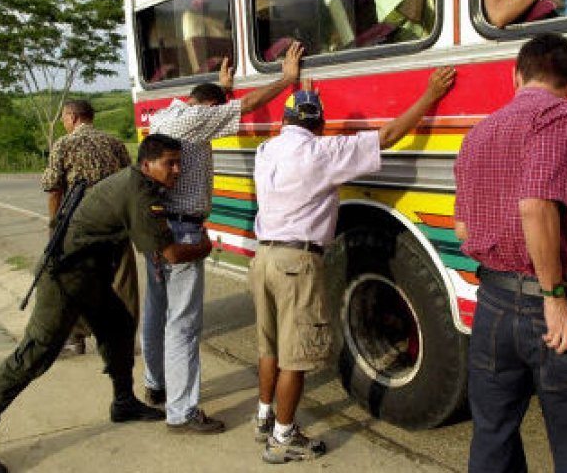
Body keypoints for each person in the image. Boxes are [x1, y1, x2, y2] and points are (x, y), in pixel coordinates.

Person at [0, 134, 213, 473]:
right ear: (147, 163)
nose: (177, 170)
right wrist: (205, 247)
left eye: (179, 163)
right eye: (170, 163)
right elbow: (171, 254)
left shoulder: (139, 183)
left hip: (90, 276)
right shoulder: (139, 191)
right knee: (35, 354)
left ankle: (123, 402)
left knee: (119, 326)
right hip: (64, 277)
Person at [251, 67, 456, 464]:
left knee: (270, 345)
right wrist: (430, 96)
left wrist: (304, 94)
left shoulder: (267, 151)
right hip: (297, 263)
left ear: (286, 121)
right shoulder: (323, 153)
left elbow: (300, 125)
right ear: (321, 126)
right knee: (296, 355)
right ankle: (282, 439)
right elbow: (390, 136)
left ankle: (263, 416)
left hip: (264, 258)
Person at [454, 33, 567, 472]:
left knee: (493, 437)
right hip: (548, 310)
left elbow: (463, 227)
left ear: (515, 75)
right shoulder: (561, 114)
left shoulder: (478, 132)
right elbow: (535, 203)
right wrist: (554, 296)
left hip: (491, 305)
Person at [141, 41, 305, 434]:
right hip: (182, 231)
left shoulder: (171, 114)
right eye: (220, 110)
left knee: (157, 311)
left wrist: (224, 89)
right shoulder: (197, 118)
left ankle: (156, 384)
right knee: (183, 323)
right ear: (209, 109)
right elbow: (245, 108)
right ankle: (181, 413)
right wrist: (286, 79)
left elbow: (219, 111)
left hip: (158, 226)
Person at [40, 99, 138, 356]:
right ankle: (122, 338)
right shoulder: (114, 143)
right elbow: (131, 181)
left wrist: (55, 227)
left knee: (77, 279)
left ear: (72, 117)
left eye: (63, 118)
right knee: (122, 281)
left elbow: (53, 190)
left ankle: (77, 337)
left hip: (81, 225)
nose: (63, 123)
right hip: (117, 222)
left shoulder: (64, 144)